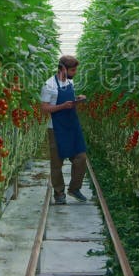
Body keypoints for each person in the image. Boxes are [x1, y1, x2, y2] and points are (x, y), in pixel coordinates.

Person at [40, 55, 88, 204]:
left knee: (81, 158)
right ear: (62, 69)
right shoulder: (49, 85)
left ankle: (74, 188)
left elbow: (69, 102)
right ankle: (59, 193)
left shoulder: (68, 82)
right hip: (56, 129)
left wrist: (77, 100)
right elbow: (44, 108)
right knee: (56, 164)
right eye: (73, 70)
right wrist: (62, 106)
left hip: (72, 126)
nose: (75, 72)